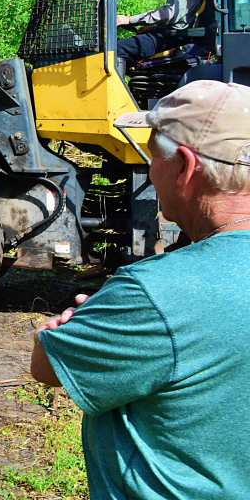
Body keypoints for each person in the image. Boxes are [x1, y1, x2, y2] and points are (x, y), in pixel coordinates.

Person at [29, 80, 250, 499]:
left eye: (151, 156)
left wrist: (70, 326)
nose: (149, 171)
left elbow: (48, 365)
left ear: (185, 167)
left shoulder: (154, 294)